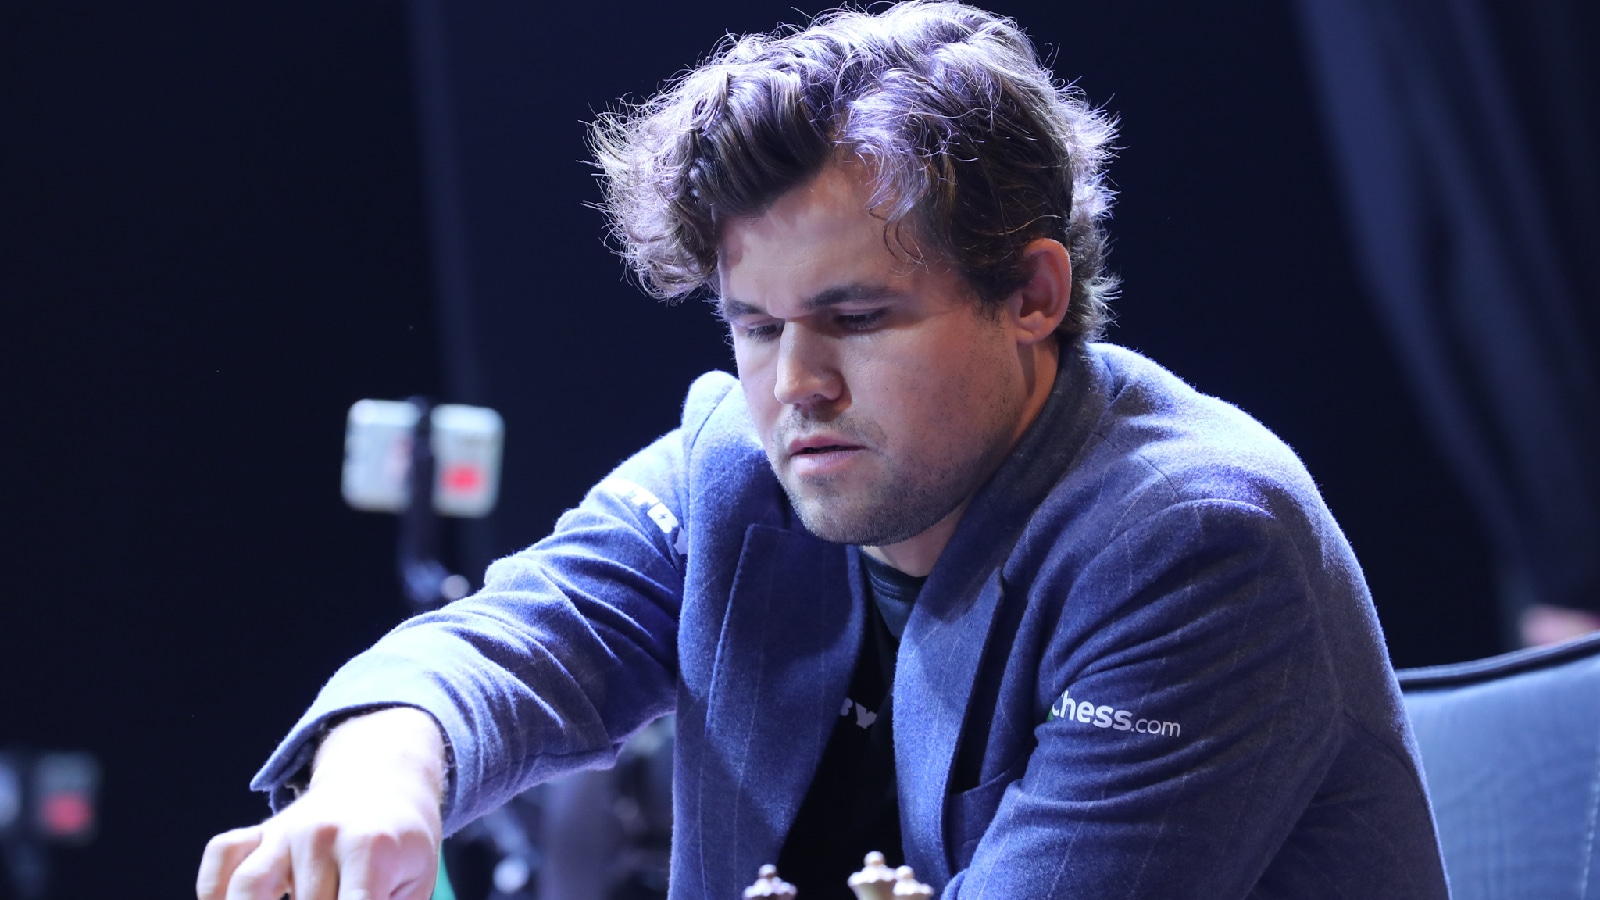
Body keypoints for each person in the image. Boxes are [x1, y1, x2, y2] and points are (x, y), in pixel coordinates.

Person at [198, 3, 1450, 898]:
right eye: (755, 327)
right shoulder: (737, 466)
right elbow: (502, 643)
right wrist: (380, 770)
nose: (793, 385)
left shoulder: (1194, 546)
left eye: (855, 319)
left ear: (1031, 292)